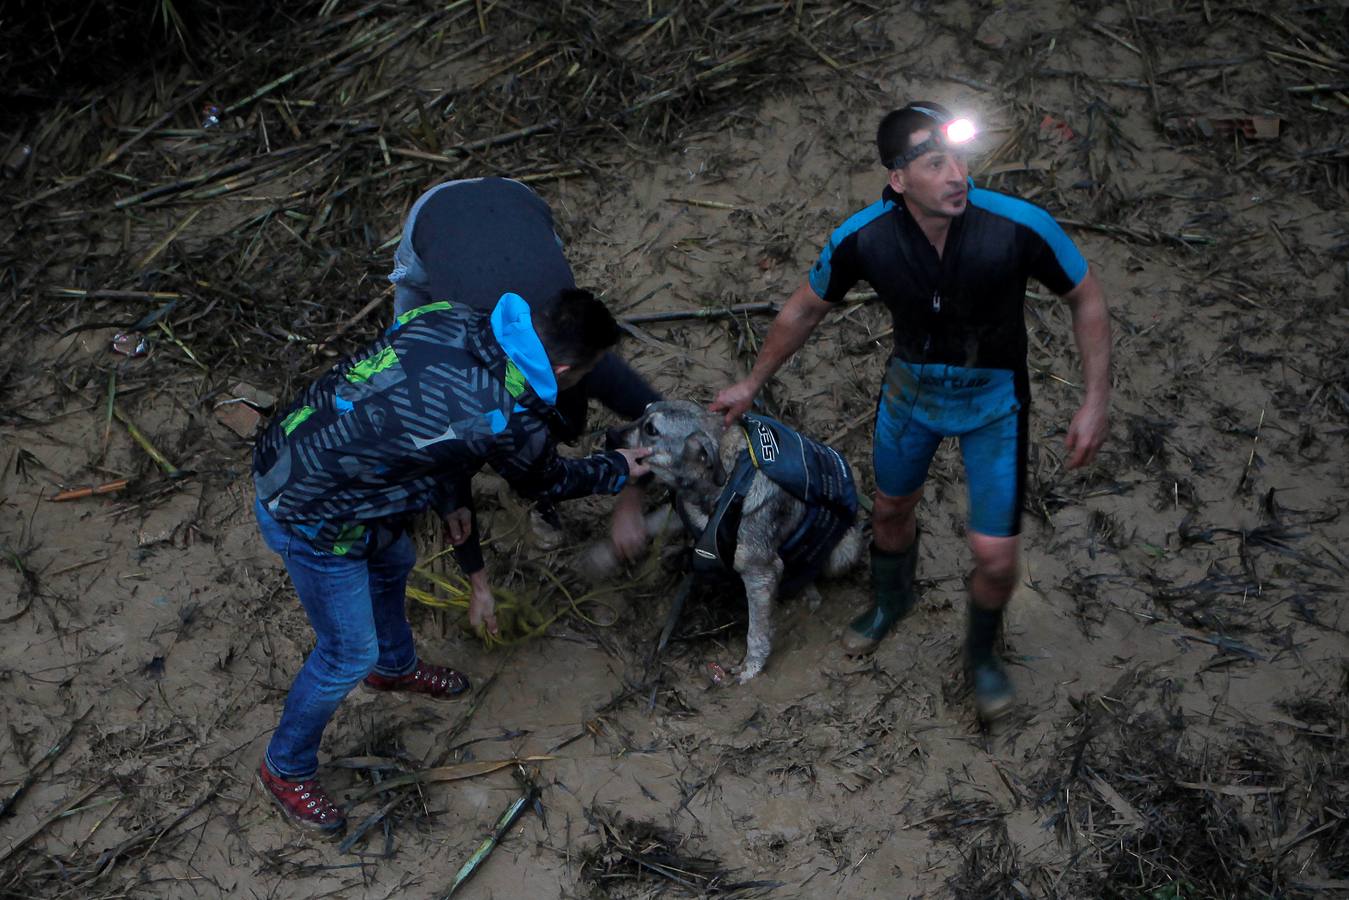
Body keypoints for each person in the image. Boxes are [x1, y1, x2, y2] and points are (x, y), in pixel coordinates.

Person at [711, 102, 1111, 721]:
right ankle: (890, 600)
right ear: (899, 179)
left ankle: (981, 654)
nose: (957, 175)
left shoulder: (1018, 225)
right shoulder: (864, 238)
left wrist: (1094, 400)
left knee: (996, 556)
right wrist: (750, 383)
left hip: (994, 404)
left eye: (959, 159)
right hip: (911, 399)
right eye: (934, 163)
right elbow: (803, 310)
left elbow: (1085, 296)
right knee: (892, 510)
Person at [252, 288, 652, 834]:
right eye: (588, 371)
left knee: (395, 560)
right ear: (561, 367)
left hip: (295, 449)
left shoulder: (451, 316)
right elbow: (548, 480)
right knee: (346, 652)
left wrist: (449, 496)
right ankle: (285, 768)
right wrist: (616, 468)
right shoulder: (511, 415)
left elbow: (409, 415)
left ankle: (393, 670)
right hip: (314, 515)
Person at [389, 177, 662, 564]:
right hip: (434, 216)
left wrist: (631, 499)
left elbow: (656, 414)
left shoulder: (581, 354)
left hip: (518, 199)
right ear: (563, 371)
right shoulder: (468, 371)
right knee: (408, 358)